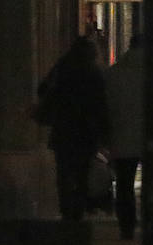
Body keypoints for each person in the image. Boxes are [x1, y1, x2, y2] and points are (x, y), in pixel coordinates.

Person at [35, 35, 112, 221]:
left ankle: (66, 208)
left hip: (63, 130)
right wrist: (105, 133)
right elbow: (100, 105)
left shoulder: (63, 68)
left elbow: (43, 89)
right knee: (82, 172)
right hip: (86, 132)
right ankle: (77, 208)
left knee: (63, 171)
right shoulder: (94, 73)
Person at [105, 35, 146, 239]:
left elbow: (106, 107)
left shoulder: (114, 74)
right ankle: (150, 221)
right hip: (149, 137)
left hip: (122, 135)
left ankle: (126, 225)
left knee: (124, 184)